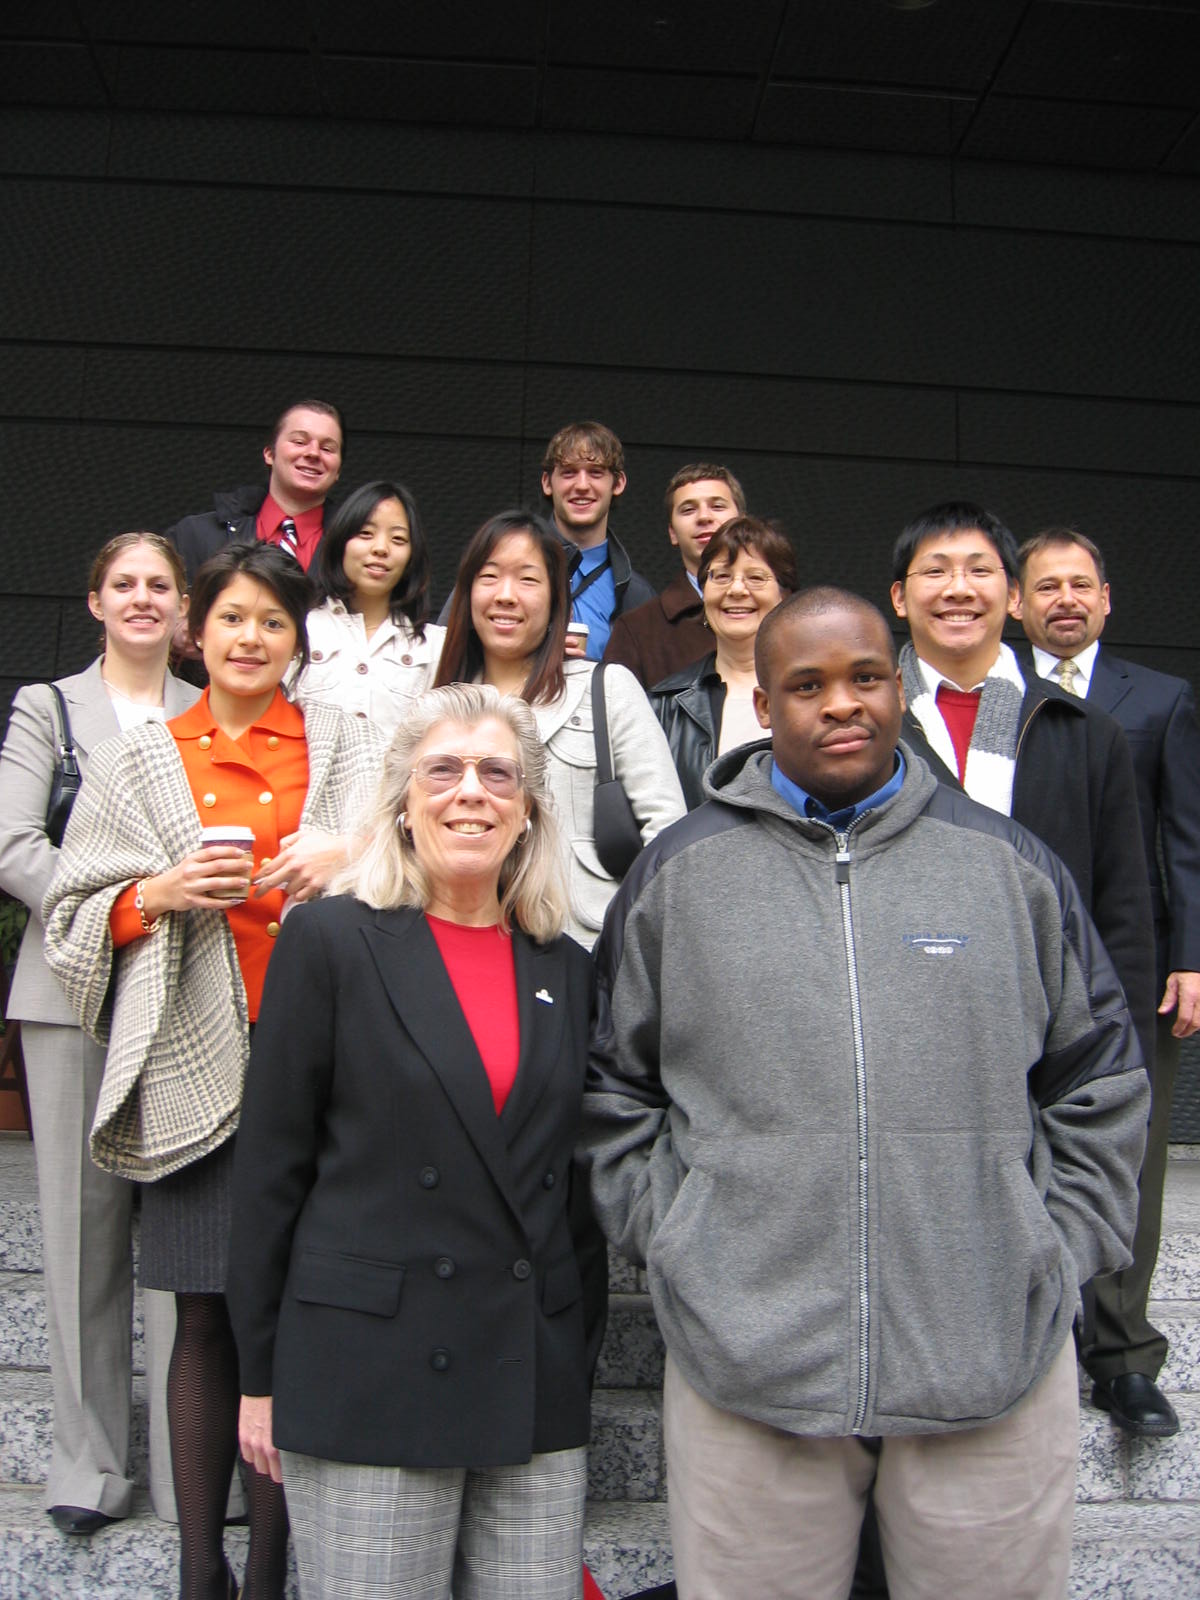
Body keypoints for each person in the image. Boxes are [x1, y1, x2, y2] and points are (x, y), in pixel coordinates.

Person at [583, 587, 1148, 1600]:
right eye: (806, 685)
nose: (840, 704)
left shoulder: (1007, 865)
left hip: (991, 1362)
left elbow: (1098, 1077)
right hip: (751, 1369)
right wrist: (678, 1237)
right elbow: (611, 1088)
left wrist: (1049, 1250)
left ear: (901, 690)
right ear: (763, 704)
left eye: (865, 677)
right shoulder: (681, 875)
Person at [44, 542, 381, 1600]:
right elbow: (71, 914)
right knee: (200, 1312)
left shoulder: (349, 741)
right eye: (232, 619)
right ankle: (204, 1567)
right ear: (198, 628)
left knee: (290, 1308)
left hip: (325, 1065)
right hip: (193, 1060)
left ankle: (275, 1566)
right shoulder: (140, 756)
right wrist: (162, 891)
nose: (249, 639)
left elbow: (418, 867)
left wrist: (351, 856)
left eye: (273, 623)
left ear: (298, 639)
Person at [226, 684, 596, 1600]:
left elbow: (575, 1193)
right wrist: (261, 1377)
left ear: (528, 809)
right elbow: (271, 1171)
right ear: (402, 798)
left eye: (496, 773)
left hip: (527, 1379)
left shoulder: (571, 969)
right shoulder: (329, 941)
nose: (470, 791)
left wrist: (570, 1353)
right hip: (367, 1376)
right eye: (444, 769)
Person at [0, 533, 198, 1536]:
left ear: (182, 607)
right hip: (72, 991)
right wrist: (110, 908)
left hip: (179, 1002)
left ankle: (185, 1467)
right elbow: (12, 841)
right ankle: (86, 1466)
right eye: (124, 582)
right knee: (80, 1237)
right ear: (93, 600)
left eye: (159, 585)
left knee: (176, 1237)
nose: (141, 598)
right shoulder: (48, 706)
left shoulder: (205, 711)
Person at [1016, 526, 1200, 1437]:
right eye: (1045, 586)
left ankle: (1123, 1354)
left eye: (1080, 584)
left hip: (1131, 963)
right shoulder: (992, 699)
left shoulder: (1160, 700)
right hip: (1012, 963)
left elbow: (1186, 839)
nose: (1065, 600)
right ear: (1018, 603)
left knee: (1128, 1156)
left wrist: (1191, 956)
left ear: (1107, 597)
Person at [434, 510, 684, 948]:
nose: (506, 596)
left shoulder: (607, 689)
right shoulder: (436, 704)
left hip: (582, 944)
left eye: (528, 580)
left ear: (555, 600)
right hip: (458, 943)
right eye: (489, 577)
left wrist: (635, 940)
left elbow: (667, 833)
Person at [649, 516, 796, 808]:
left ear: (784, 595)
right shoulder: (664, 705)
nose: (737, 590)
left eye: (755, 577)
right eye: (722, 576)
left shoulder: (815, 696)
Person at [288, 479, 445, 737]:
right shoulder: (300, 629)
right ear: (340, 543)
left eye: (398, 538)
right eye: (365, 534)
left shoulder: (435, 645)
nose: (380, 548)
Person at [167, 399, 344, 584]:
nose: (313, 453)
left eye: (327, 448)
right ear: (269, 453)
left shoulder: (354, 547)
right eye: (299, 442)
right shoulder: (193, 536)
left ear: (338, 470)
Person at [605, 463, 747, 689]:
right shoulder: (638, 630)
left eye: (717, 506)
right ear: (672, 533)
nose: (704, 517)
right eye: (688, 510)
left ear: (743, 522)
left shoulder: (782, 615)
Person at [541, 421, 655, 661]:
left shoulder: (637, 595)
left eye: (596, 472)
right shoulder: (503, 567)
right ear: (547, 482)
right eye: (569, 472)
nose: (582, 486)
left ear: (618, 483)